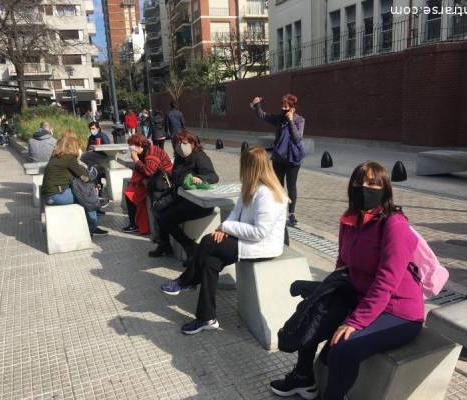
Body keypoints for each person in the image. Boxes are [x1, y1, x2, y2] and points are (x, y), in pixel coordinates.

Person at [270, 161, 424, 400]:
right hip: (359, 295)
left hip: (398, 311)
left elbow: (386, 281)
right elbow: (342, 266)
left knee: (343, 348)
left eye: (373, 183)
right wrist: (323, 291)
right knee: (313, 308)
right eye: (359, 181)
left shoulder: (394, 224)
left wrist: (355, 321)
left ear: (385, 190)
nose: (364, 187)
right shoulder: (349, 220)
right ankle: (303, 378)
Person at [160, 146, 288, 335]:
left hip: (262, 246)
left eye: (243, 165)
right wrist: (224, 228)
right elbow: (235, 214)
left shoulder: (268, 194)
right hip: (246, 239)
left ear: (251, 167)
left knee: (208, 242)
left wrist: (225, 228)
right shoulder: (251, 187)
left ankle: (186, 280)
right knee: (211, 261)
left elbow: (260, 232)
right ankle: (207, 318)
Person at [148, 129, 219, 260]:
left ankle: (189, 246)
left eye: (184, 142)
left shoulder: (200, 157)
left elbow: (213, 177)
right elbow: (176, 179)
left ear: (192, 143)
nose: (181, 146)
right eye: (177, 143)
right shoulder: (179, 159)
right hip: (181, 198)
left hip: (198, 202)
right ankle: (164, 245)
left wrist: (200, 178)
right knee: (157, 208)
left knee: (166, 217)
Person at [252, 94, 305, 227]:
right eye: (282, 106)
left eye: (286, 106)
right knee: (278, 186)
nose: (283, 108)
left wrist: (291, 120)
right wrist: (257, 105)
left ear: (292, 108)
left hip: (293, 160)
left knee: (291, 187)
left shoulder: (300, 120)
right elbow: (262, 115)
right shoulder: (278, 119)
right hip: (279, 159)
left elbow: (297, 138)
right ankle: (279, 211)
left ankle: (291, 214)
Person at [41, 132, 108, 236]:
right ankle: (92, 227)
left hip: (47, 196)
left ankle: (92, 217)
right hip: (58, 196)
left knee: (83, 192)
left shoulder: (55, 157)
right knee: (86, 196)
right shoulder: (69, 159)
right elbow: (85, 177)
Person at [122, 134, 173, 234]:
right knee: (129, 191)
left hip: (163, 183)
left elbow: (149, 171)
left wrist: (136, 160)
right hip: (153, 180)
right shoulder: (145, 150)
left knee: (131, 194)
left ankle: (135, 224)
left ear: (140, 144)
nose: (130, 148)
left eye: (132, 145)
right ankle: (135, 223)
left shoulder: (152, 153)